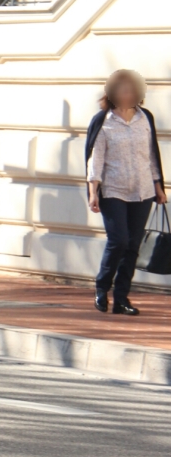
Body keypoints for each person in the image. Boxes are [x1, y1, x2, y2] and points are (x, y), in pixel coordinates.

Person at [86, 69, 167, 315]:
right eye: (123, 90)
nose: (128, 94)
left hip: (143, 191)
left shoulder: (146, 118)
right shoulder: (103, 121)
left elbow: (152, 155)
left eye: (132, 89)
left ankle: (121, 298)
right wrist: (93, 191)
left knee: (133, 246)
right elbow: (95, 159)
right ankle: (102, 288)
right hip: (113, 191)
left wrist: (158, 186)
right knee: (118, 241)